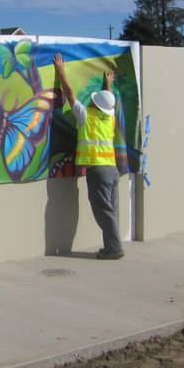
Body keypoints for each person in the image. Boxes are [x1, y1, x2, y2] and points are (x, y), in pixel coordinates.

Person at [52, 53, 124, 259]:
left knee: (103, 211)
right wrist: (107, 85)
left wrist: (61, 71)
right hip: (112, 170)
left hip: (97, 171)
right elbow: (107, 102)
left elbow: (69, 92)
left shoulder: (85, 116)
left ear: (94, 103)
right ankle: (111, 247)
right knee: (111, 211)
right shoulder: (108, 118)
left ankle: (115, 249)